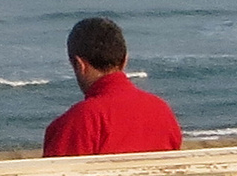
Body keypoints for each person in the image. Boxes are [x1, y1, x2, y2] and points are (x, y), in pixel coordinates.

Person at [43, 17, 181, 156]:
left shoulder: (81, 120)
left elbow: (55, 173)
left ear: (80, 65)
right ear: (125, 60)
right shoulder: (161, 110)